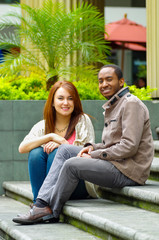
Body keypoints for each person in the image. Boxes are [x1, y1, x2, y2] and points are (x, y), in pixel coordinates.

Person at [13, 64, 154, 225]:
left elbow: (129, 146)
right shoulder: (114, 105)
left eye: (109, 79)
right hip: (116, 163)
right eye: (100, 81)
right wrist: (93, 147)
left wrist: (93, 154)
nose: (104, 84)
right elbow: (111, 144)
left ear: (121, 81)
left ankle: (51, 210)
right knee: (65, 149)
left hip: (128, 171)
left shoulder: (130, 104)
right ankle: (40, 204)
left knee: (72, 164)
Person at [18, 80, 95, 203]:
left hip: (77, 183)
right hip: (50, 189)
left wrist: (62, 144)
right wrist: (51, 136)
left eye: (70, 98)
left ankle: (46, 204)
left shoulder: (82, 121)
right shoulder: (43, 125)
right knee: (36, 153)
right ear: (53, 102)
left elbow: (85, 156)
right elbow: (22, 148)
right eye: (60, 98)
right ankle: (39, 203)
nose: (66, 103)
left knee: (56, 153)